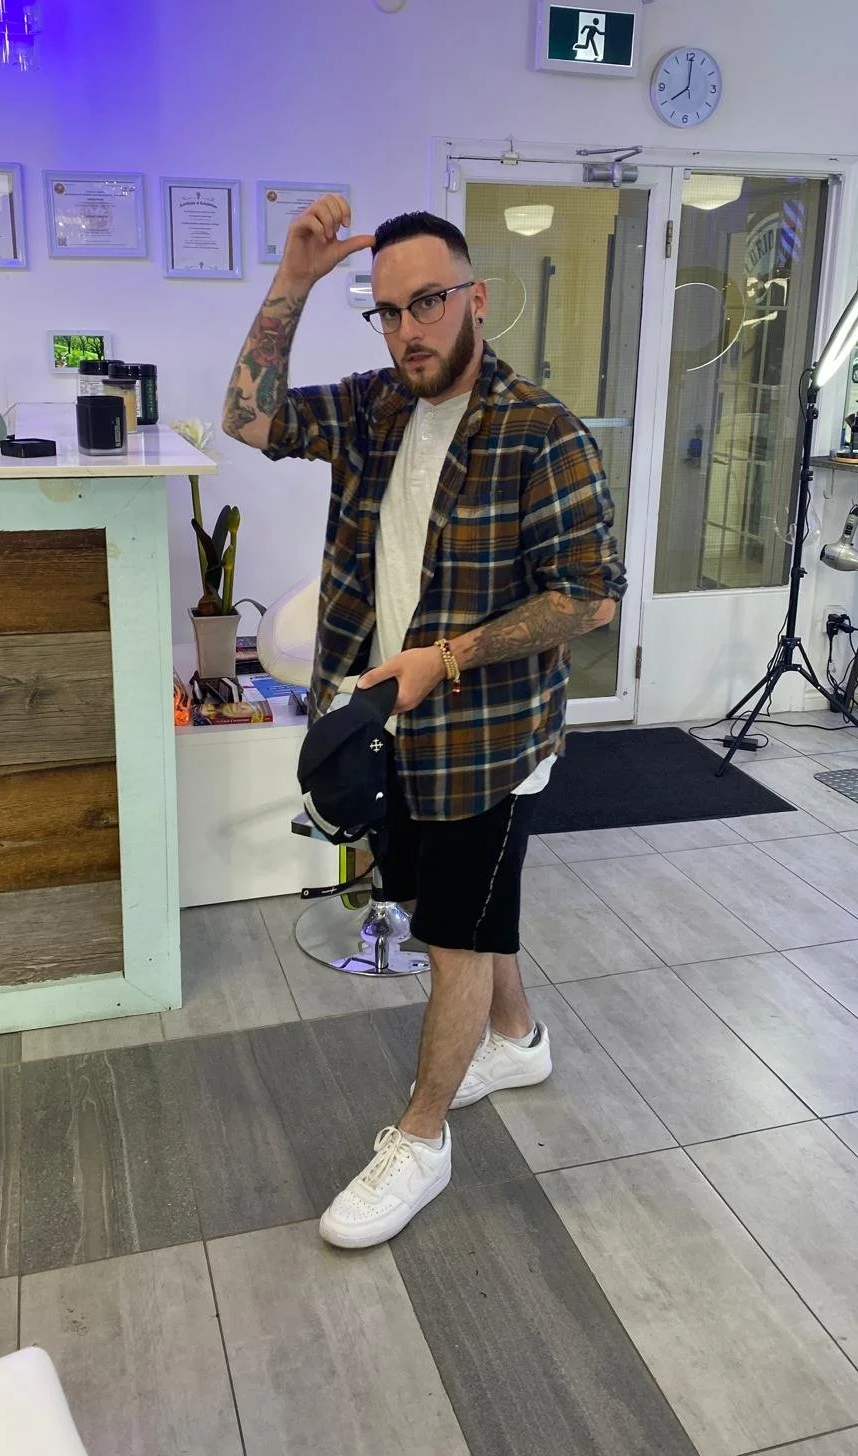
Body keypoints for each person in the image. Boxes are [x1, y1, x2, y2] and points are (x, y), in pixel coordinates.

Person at [222, 197, 624, 1248]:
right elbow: (248, 418)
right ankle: (519, 1037)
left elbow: (589, 598)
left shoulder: (545, 435)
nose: (411, 329)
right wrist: (294, 283)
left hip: (489, 739)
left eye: (430, 303)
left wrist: (443, 659)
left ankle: (422, 1136)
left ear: (475, 301)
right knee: (472, 909)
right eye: (391, 310)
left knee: (451, 934)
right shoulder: (370, 409)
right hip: (389, 726)